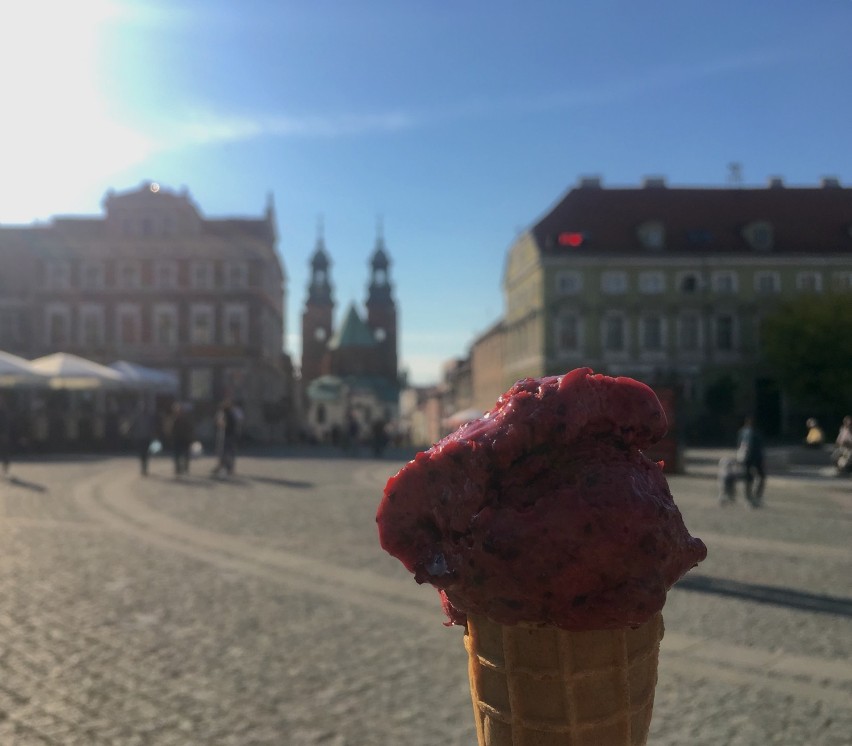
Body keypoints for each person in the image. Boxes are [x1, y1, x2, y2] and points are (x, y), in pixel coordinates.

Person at [736, 416, 765, 507]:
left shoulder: (742, 432)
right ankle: (754, 497)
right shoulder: (754, 433)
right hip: (753, 457)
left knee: (749, 477)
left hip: (748, 457)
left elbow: (740, 445)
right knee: (757, 477)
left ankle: (750, 497)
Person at [211, 397, 240, 476]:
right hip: (225, 435)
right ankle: (221, 466)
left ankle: (229, 469)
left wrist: (221, 423)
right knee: (222, 452)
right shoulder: (225, 413)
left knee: (228, 453)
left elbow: (227, 425)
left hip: (229, 435)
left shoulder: (230, 413)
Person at [129, 401, 159, 476]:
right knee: (142, 454)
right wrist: (132, 433)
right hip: (140, 438)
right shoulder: (137, 417)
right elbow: (133, 426)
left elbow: (152, 427)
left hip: (147, 438)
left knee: (145, 453)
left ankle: (144, 468)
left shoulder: (149, 417)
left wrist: (153, 435)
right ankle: (143, 468)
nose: (143, 409)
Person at [169, 402, 194, 476]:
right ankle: (178, 469)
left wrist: (191, 437)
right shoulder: (174, 419)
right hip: (177, 439)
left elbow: (190, 429)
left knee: (186, 455)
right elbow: (171, 429)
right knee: (177, 455)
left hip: (185, 439)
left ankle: (185, 468)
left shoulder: (186, 419)